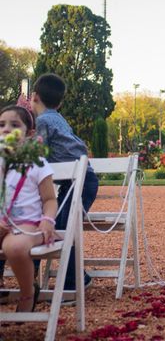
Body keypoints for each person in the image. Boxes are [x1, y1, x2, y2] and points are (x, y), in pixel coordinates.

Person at [31, 73, 98, 292]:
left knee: (63, 228)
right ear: (59, 102)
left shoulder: (42, 122)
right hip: (80, 180)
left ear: (34, 97)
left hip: (79, 181)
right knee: (61, 226)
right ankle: (72, 277)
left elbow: (37, 155)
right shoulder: (57, 117)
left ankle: (74, 278)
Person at [0, 105, 57, 312]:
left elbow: (50, 199)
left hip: (28, 225)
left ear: (30, 133)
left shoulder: (37, 164)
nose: (6, 129)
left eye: (14, 125)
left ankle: (27, 292)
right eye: (1, 125)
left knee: (14, 248)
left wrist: (47, 220)